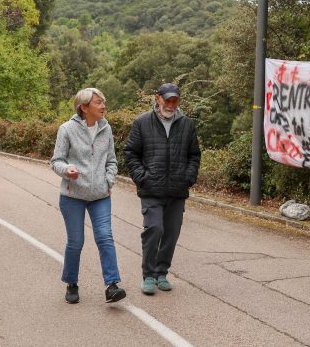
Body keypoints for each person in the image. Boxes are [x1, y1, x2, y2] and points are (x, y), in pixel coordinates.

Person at [50, 88, 127, 304]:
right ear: (84, 107)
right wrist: (67, 170)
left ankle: (112, 285)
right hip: (72, 196)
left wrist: (108, 180)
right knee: (76, 241)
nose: (103, 106)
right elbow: (56, 161)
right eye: (98, 102)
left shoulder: (106, 128)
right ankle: (71, 283)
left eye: (104, 101)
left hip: (101, 196)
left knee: (105, 237)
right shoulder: (66, 129)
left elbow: (111, 161)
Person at [123, 83, 201, 295]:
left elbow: (194, 154)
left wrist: (189, 177)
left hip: (177, 190)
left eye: (175, 100)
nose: (171, 104)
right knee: (154, 229)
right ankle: (148, 275)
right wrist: (142, 177)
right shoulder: (142, 122)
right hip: (151, 189)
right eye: (167, 100)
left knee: (171, 233)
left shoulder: (187, 124)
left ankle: (161, 272)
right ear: (157, 98)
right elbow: (130, 153)